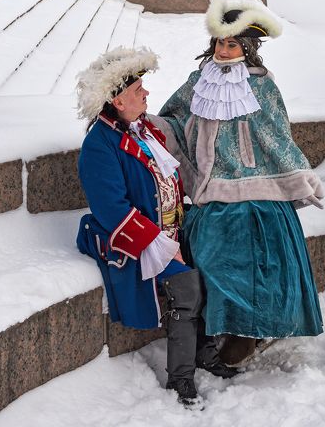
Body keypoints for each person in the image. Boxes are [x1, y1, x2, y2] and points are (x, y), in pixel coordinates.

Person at [156, 0, 324, 366]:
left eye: (232, 44)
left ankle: (248, 333)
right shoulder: (198, 81)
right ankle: (225, 329)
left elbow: (277, 136)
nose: (224, 50)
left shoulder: (262, 87)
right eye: (220, 42)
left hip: (257, 190)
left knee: (260, 259)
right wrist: (150, 127)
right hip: (211, 192)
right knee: (213, 257)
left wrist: (299, 174)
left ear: (247, 48)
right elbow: (175, 119)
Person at [75, 46, 236, 409]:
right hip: (133, 239)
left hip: (171, 229)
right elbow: (112, 210)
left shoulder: (144, 129)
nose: (146, 93)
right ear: (117, 100)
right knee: (186, 287)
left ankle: (205, 351)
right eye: (138, 90)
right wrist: (160, 243)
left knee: (213, 258)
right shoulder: (99, 146)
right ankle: (180, 379)